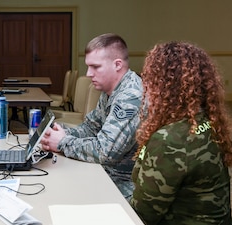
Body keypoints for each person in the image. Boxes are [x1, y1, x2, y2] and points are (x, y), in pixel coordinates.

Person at [130, 42, 232, 224]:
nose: (145, 85)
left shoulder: (169, 140)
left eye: (149, 79)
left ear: (163, 86)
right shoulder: (210, 122)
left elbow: (142, 214)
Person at [40, 33, 143, 200]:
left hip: (123, 187)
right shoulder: (110, 91)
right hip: (104, 174)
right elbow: (91, 127)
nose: (88, 73)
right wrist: (60, 133)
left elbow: (105, 151)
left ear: (117, 65)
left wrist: (62, 142)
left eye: (95, 67)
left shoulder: (131, 96)